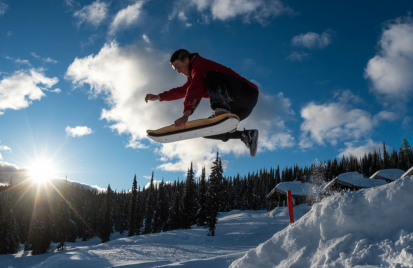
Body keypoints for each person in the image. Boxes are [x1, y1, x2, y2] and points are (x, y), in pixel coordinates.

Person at [145, 49, 259, 157]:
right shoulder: (194, 77)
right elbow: (182, 91)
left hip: (247, 92)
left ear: (186, 59)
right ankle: (246, 135)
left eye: (178, 67)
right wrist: (159, 96)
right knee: (208, 130)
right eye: (176, 70)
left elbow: (193, 90)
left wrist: (185, 115)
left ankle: (222, 111)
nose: (178, 71)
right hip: (241, 109)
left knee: (211, 75)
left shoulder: (200, 65)